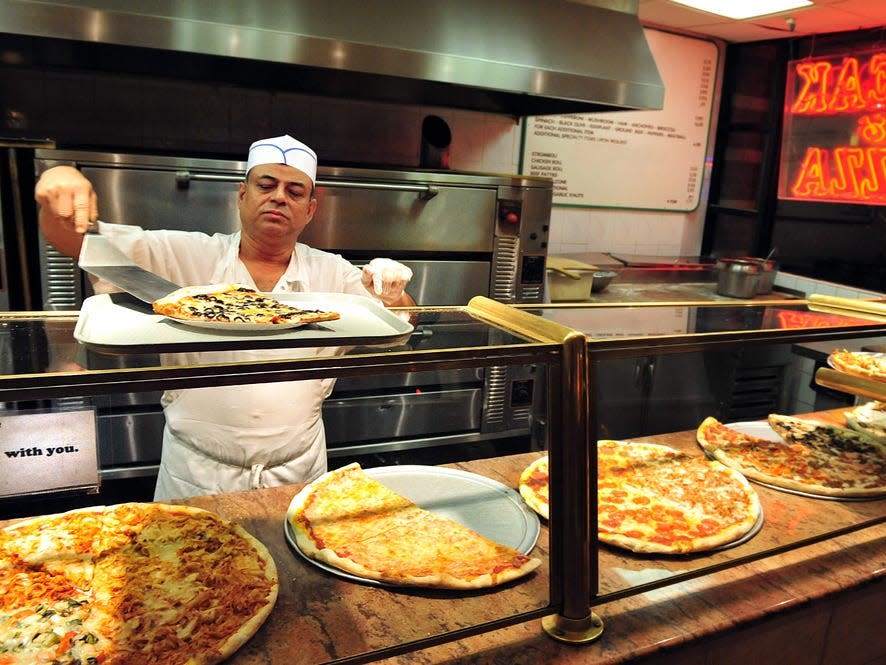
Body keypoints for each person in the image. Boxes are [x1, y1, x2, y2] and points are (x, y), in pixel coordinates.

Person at [35, 135, 415, 500]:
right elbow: (75, 241)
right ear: (242, 194)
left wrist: (393, 292)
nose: (279, 197)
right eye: (266, 185)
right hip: (198, 474)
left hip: (298, 471)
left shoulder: (331, 272)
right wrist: (57, 179)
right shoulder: (186, 256)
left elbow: (400, 320)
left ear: (310, 209)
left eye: (295, 191)